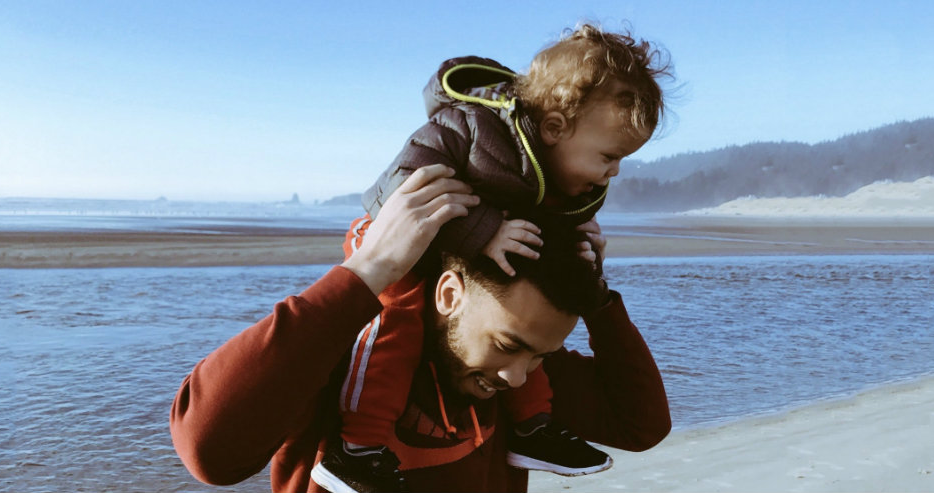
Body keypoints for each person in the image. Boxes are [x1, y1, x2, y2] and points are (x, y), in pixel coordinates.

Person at [169, 165, 671, 492]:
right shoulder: (343, 354)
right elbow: (210, 453)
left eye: (540, 356)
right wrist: (368, 271)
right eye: (508, 346)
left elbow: (640, 424)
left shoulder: (521, 367)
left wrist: (598, 299)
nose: (520, 377)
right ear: (449, 294)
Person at [324, 24, 672, 491]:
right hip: (396, 244)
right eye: (609, 156)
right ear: (555, 128)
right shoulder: (470, 125)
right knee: (397, 324)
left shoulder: (563, 179)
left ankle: (532, 428)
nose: (614, 171)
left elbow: (642, 423)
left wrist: (588, 278)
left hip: (472, 260)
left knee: (526, 341)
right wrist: (483, 230)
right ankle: (358, 448)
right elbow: (402, 183)